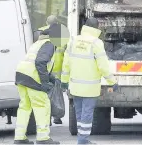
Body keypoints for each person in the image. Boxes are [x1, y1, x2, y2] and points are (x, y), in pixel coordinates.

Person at [61, 17, 118, 145]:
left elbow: (66, 63)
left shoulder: (73, 41)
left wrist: (64, 81)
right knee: (87, 114)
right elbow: (103, 66)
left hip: (75, 86)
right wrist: (112, 82)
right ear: (97, 28)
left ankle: (82, 138)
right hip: (90, 88)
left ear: (85, 26)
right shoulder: (96, 43)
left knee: (80, 114)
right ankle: (83, 140)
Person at [14, 26, 60, 144]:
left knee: (25, 106)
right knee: (42, 105)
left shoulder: (37, 43)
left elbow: (38, 62)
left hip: (21, 75)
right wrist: (44, 83)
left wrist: (51, 78)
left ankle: (19, 138)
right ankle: (43, 138)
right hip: (33, 78)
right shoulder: (49, 44)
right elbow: (40, 62)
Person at [38, 15, 66, 125]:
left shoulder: (40, 32)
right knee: (57, 95)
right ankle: (57, 116)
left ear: (46, 22)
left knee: (45, 95)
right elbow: (65, 52)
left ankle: (48, 117)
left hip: (44, 69)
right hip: (57, 71)